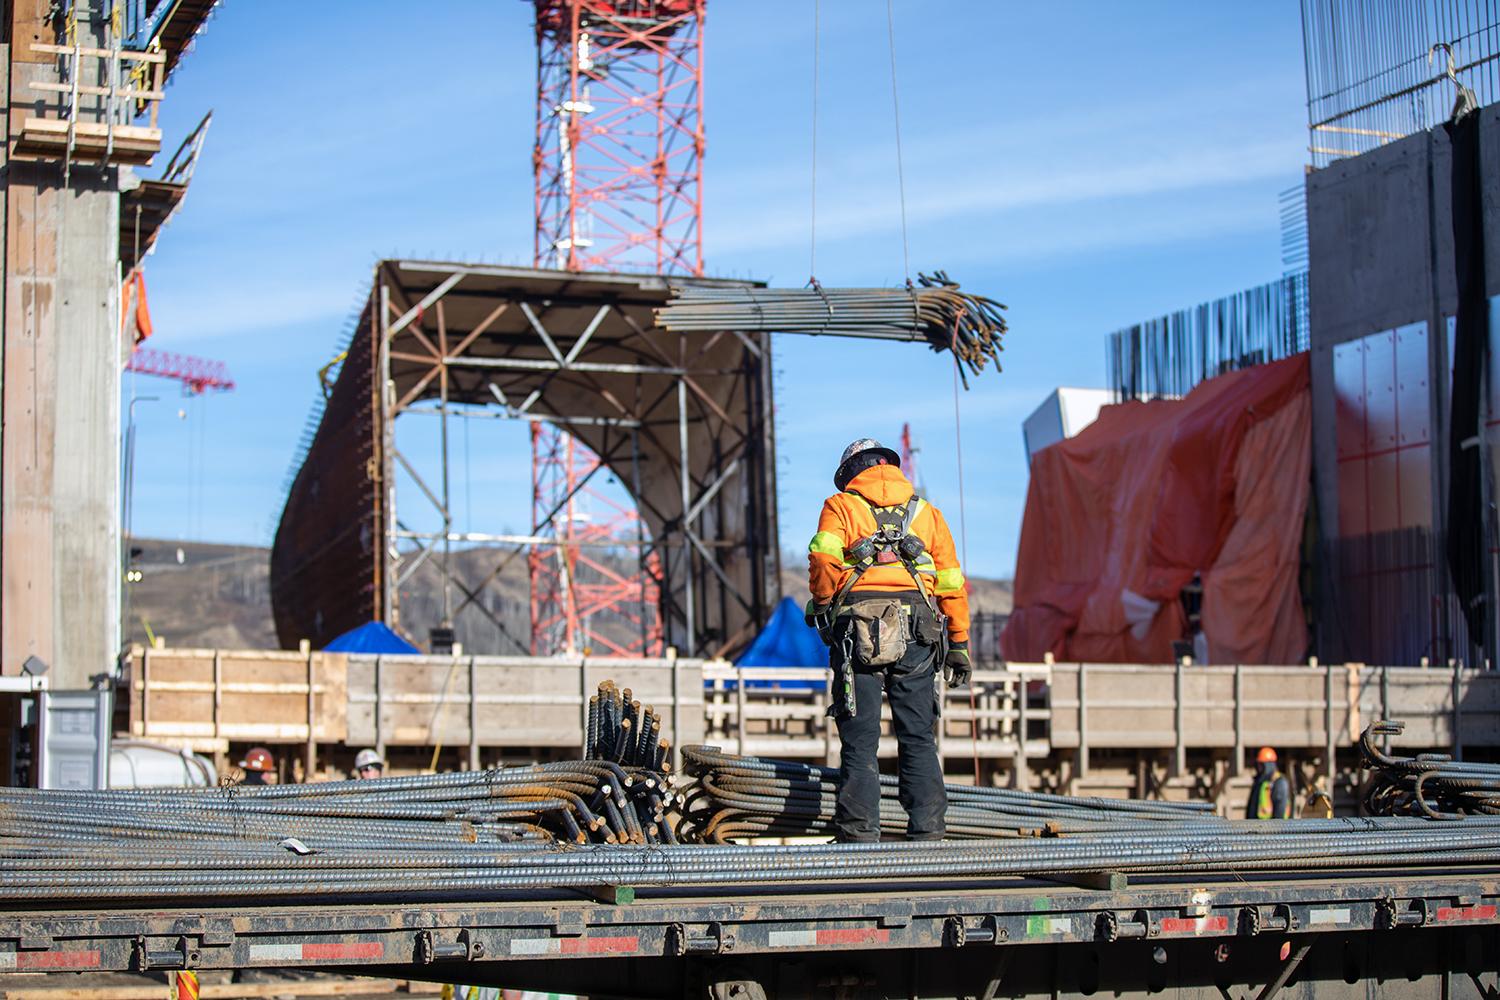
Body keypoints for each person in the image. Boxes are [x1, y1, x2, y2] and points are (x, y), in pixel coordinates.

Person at [806, 438, 970, 842]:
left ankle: (859, 835)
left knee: (860, 741)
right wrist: (960, 642)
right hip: (920, 631)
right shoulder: (928, 513)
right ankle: (928, 834)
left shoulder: (840, 505)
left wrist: (824, 602)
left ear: (850, 472)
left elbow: (824, 559)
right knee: (917, 736)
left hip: (857, 629)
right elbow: (951, 582)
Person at [1248, 747, 1291, 819]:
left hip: (1272, 827)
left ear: (1268, 765)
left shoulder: (1279, 783)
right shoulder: (1260, 782)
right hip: (1258, 826)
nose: (1259, 769)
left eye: (1261, 765)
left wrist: (1277, 827)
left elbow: (1280, 810)